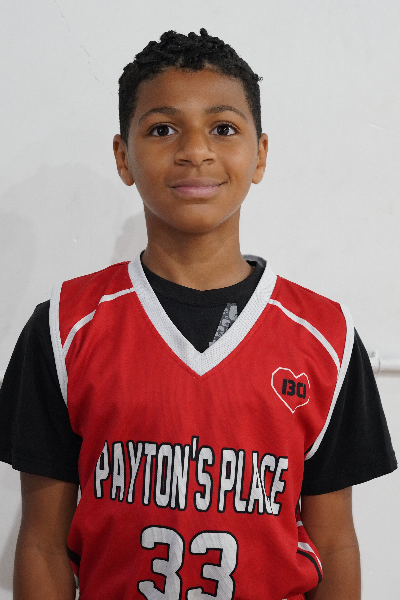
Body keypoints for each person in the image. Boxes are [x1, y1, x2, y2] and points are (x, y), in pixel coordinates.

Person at [0, 29, 397, 600]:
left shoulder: (325, 336)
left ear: (260, 155)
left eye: (223, 129)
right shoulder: (64, 328)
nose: (195, 150)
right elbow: (41, 543)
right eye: (163, 129)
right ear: (123, 157)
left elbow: (334, 544)